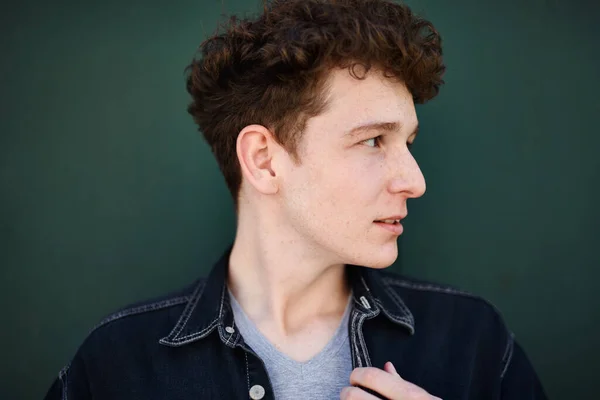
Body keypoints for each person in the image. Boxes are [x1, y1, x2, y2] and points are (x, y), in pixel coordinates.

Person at [44, 0, 547, 399]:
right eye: (373, 141)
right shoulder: (116, 367)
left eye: (408, 143)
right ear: (264, 159)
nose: (414, 181)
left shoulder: (474, 342)